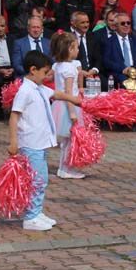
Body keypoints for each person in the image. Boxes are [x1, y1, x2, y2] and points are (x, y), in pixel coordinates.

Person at [8, 50, 82, 231]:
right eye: (45, 72)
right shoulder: (25, 91)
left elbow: (56, 94)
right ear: (33, 70)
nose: (47, 76)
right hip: (31, 143)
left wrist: (72, 98)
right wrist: (13, 141)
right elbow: (14, 116)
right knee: (37, 179)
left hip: (41, 142)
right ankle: (30, 217)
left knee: (41, 178)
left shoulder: (39, 88)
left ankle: (37, 211)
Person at [50, 32, 86, 180]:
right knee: (70, 140)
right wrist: (72, 113)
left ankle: (63, 168)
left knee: (66, 140)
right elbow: (69, 92)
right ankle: (66, 169)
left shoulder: (57, 65)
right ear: (70, 49)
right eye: (77, 47)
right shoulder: (70, 68)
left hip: (59, 105)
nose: (78, 50)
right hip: (68, 106)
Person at [103, 12, 136, 90]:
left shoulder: (135, 40)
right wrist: (124, 69)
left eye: (128, 23)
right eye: (123, 23)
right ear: (116, 26)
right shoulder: (109, 42)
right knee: (129, 84)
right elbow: (106, 62)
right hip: (120, 72)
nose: (126, 25)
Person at [69, 11, 99, 77]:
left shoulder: (93, 36)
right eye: (82, 22)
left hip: (92, 73)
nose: (86, 25)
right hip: (74, 73)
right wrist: (79, 71)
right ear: (74, 23)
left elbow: (99, 58)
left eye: (87, 22)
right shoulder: (68, 37)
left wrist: (94, 70)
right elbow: (65, 60)